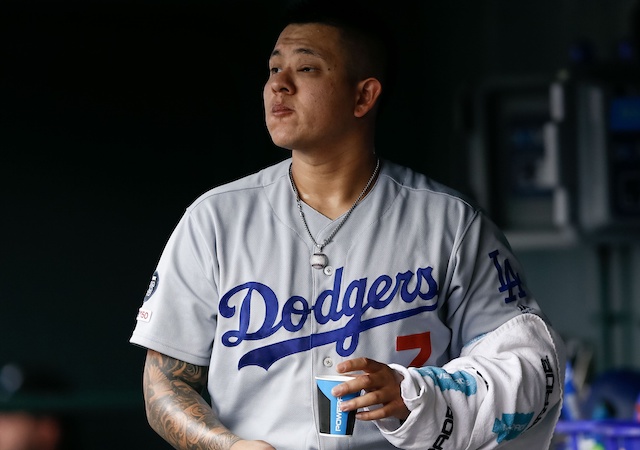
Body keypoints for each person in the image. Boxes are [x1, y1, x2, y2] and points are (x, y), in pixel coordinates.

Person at [129, 1, 566, 449]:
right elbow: (164, 387)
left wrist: (422, 396)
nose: (278, 84)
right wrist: (230, 447)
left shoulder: (451, 225)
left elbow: (529, 365)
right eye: (274, 67)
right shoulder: (214, 219)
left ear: (363, 96)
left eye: (307, 68)